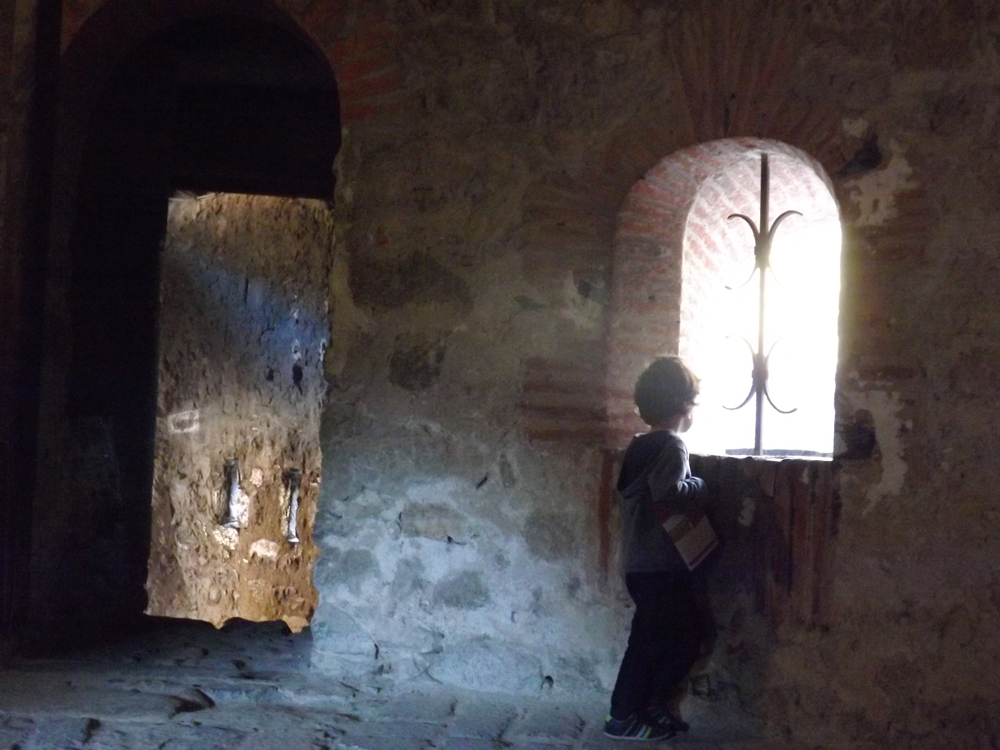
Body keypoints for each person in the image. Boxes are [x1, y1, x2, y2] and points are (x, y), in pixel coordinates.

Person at [604, 355, 715, 742]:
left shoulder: (638, 446)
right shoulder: (672, 445)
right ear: (684, 406)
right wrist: (700, 485)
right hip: (661, 564)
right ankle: (622, 716)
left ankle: (651, 706)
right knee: (664, 638)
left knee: (667, 635)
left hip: (639, 563)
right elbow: (668, 493)